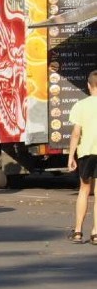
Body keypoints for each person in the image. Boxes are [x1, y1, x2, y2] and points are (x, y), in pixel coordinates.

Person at [66, 70, 97, 244]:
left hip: (86, 152)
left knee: (84, 190)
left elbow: (76, 133)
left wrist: (71, 156)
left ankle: (78, 231)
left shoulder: (81, 105)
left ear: (88, 85)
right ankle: (96, 232)